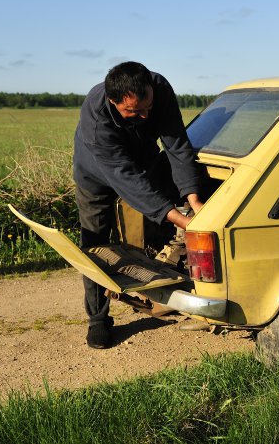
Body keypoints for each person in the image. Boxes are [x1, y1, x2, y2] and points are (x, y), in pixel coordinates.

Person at [73, 61, 204, 349]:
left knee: (154, 223)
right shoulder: (97, 121)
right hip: (96, 176)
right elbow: (126, 179)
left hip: (142, 161)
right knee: (94, 244)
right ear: (113, 101)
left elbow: (176, 145)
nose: (145, 116)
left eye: (148, 107)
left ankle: (160, 289)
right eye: (133, 112)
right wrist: (181, 220)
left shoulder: (159, 90)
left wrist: (193, 199)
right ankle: (98, 320)